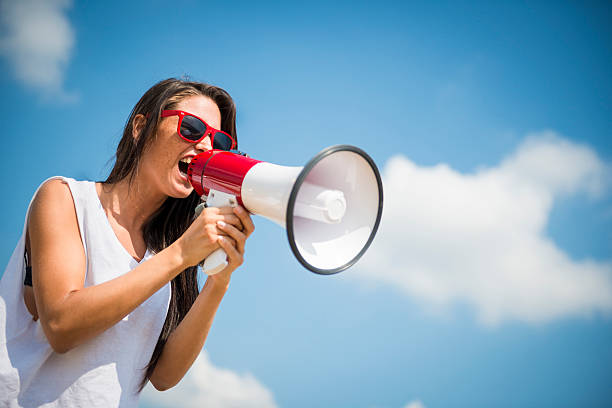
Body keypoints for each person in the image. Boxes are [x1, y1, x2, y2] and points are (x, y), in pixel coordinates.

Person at [0, 78, 255, 407]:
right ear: (140, 128)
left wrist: (219, 279)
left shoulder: (170, 249)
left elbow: (163, 376)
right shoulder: (66, 198)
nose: (206, 146)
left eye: (217, 141)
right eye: (190, 128)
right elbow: (62, 326)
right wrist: (180, 255)